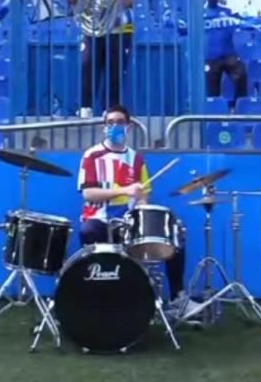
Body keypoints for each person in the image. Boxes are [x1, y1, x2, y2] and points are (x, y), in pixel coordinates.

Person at [77, 104, 201, 316]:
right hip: (99, 219)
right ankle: (95, 297)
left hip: (128, 222)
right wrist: (125, 190)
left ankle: (177, 298)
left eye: (120, 122)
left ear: (129, 127)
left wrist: (146, 217)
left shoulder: (136, 159)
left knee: (175, 233)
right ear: (104, 127)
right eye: (110, 123)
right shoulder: (92, 156)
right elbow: (88, 194)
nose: (115, 126)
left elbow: (143, 196)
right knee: (88, 231)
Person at [67, 0, 135, 118]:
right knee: (87, 68)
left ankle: (110, 110)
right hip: (92, 30)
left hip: (119, 31)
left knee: (115, 72)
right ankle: (86, 107)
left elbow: (130, 1)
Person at [202, 0, 261, 107]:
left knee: (241, 75)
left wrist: (260, 20)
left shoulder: (227, 12)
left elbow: (243, 21)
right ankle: (215, 113)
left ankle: (237, 107)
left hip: (229, 55)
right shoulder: (199, 14)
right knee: (212, 90)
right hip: (210, 57)